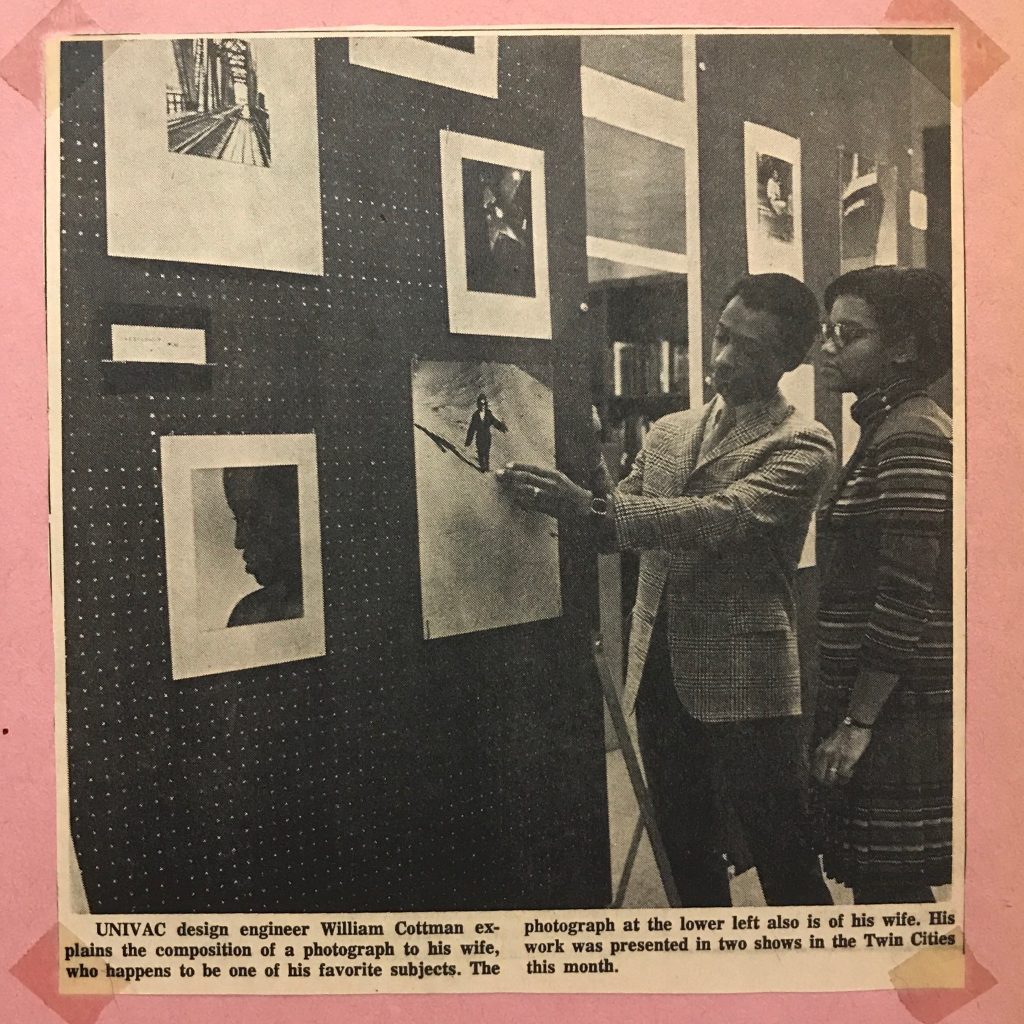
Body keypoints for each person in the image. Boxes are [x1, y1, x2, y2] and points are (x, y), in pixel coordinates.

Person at [499, 273, 836, 907]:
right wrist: (574, 493)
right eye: (722, 336)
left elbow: (720, 517)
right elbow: (617, 517)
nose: (725, 358)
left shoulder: (804, 443)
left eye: (751, 349)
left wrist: (596, 511)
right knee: (685, 855)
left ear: (788, 360)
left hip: (748, 680)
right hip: (656, 669)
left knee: (784, 858)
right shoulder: (669, 431)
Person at [811, 267, 953, 904]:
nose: (828, 346)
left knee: (890, 887)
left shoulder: (912, 436)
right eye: (828, 330)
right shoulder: (888, 427)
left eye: (849, 333)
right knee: (883, 883)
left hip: (900, 701)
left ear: (904, 348)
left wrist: (858, 721)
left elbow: (906, 593)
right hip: (890, 692)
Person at [222, 465, 304, 627]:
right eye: (239, 520)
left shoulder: (252, 616)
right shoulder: (251, 614)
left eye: (253, 520)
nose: (238, 542)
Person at [465, 393, 508, 473]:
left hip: (487, 436)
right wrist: (469, 440)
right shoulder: (475, 416)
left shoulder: (488, 414)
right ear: (478, 404)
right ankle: (482, 468)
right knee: (481, 452)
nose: (482, 406)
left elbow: (494, 421)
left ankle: (487, 468)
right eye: (481, 404)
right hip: (479, 437)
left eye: (484, 404)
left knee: (486, 452)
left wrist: (501, 427)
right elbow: (472, 429)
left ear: (486, 404)